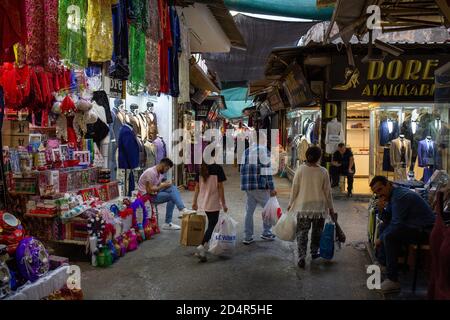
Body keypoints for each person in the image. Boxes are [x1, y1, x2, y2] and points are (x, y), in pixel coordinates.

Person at [370, 175, 435, 293]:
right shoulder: (392, 195)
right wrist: (381, 210)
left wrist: (380, 239)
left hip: (425, 231)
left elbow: (396, 224)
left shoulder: (399, 197)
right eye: (376, 193)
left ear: (388, 184)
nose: (380, 195)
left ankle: (392, 279)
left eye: (380, 190)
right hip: (413, 227)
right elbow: (388, 220)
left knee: (390, 236)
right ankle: (383, 263)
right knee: (383, 227)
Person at [287, 146, 335, 269]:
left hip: (303, 207)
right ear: (319, 157)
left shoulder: (300, 170)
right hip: (319, 207)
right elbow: (327, 192)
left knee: (302, 232)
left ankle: (302, 257)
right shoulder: (323, 171)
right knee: (317, 232)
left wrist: (290, 203)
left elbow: (295, 188)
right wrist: (331, 208)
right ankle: (314, 252)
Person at [240, 131, 277, 245]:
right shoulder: (264, 151)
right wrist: (272, 188)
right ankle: (266, 232)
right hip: (260, 186)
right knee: (267, 209)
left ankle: (247, 236)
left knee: (249, 211)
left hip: (248, 186)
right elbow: (267, 172)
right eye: (265, 139)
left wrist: (246, 184)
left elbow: (241, 169)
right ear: (262, 140)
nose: (266, 142)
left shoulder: (246, 151)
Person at [138, 158, 195, 230]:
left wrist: (165, 184)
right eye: (167, 169)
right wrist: (163, 185)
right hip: (146, 196)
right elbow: (149, 190)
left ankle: (182, 210)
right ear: (163, 165)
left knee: (173, 188)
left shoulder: (159, 173)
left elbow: (157, 185)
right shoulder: (150, 172)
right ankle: (173, 217)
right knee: (172, 196)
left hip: (154, 193)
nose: (166, 171)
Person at [192, 155, 228, 262]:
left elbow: (197, 187)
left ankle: (204, 248)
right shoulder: (218, 168)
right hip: (213, 202)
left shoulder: (200, 169)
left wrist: (194, 202)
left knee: (211, 224)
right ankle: (202, 246)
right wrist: (224, 203)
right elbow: (220, 187)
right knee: (212, 225)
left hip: (204, 202)